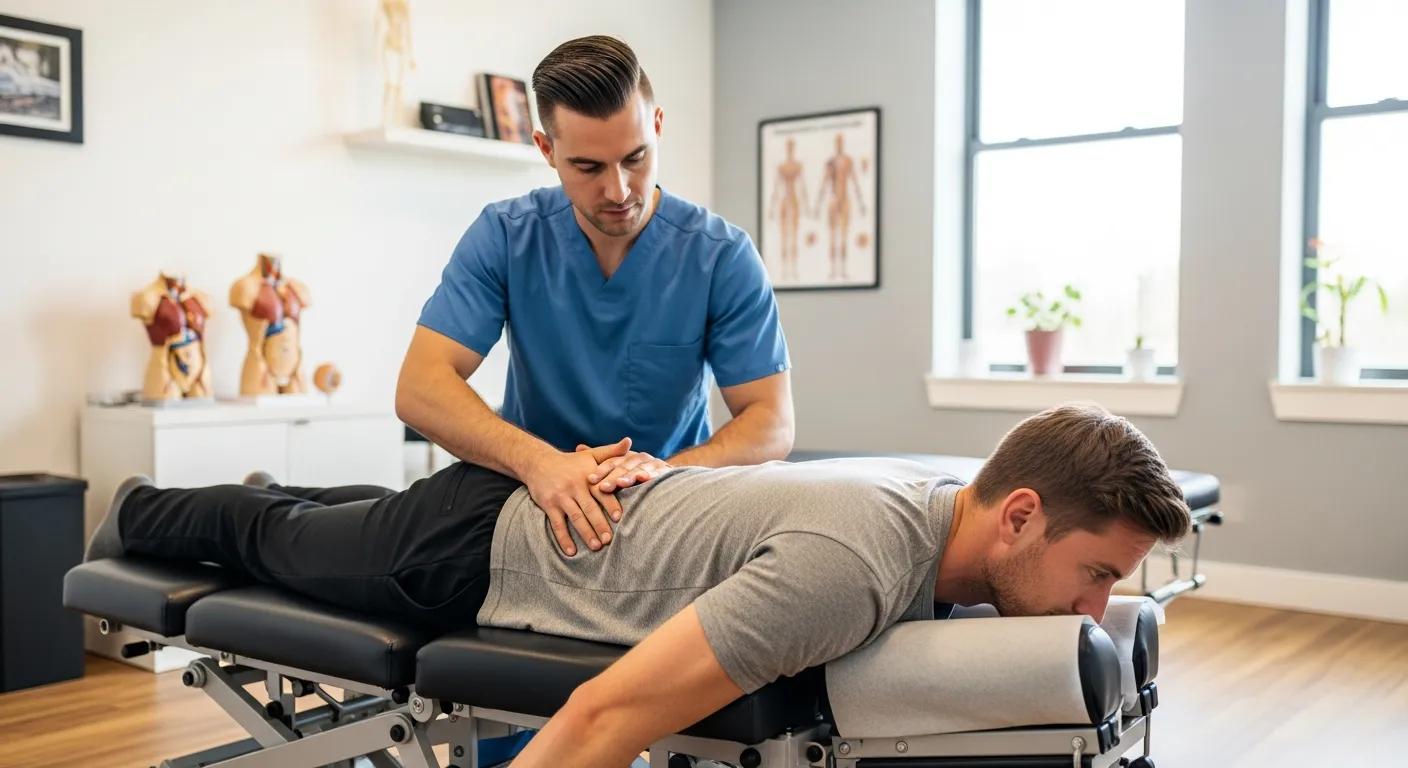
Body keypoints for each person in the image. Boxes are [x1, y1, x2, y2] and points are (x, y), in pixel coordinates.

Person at [86, 403, 1190, 767]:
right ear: (1018, 515)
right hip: (466, 560)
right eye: (1095, 575)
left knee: (318, 520)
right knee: (274, 536)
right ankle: (142, 507)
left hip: (533, 515)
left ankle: (298, 498)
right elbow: (602, 713)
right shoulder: (854, 565)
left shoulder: (943, 503)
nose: (1096, 610)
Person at [397, 35, 794, 560]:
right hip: (527, 500)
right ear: (547, 151)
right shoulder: (507, 234)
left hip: (670, 508)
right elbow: (420, 388)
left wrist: (665, 471)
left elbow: (771, 421)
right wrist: (540, 463)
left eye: (635, 158)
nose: (619, 190)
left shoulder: (721, 255)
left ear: (657, 127)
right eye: (588, 168)